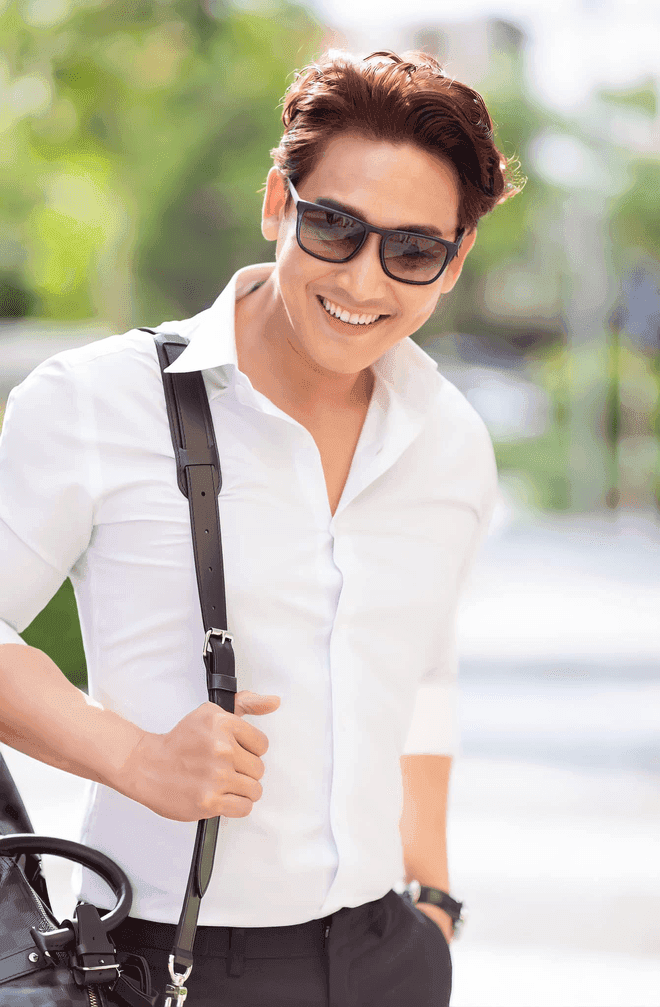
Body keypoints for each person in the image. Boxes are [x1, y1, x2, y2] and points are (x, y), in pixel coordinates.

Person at [0, 48, 521, 1006]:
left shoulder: (449, 441)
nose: (363, 281)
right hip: (165, 959)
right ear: (279, 203)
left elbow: (423, 670)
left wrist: (434, 896)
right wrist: (136, 759)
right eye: (335, 227)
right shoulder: (94, 403)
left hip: (388, 956)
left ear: (454, 260)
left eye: (411, 250)